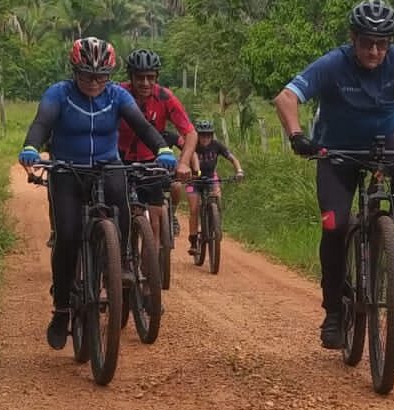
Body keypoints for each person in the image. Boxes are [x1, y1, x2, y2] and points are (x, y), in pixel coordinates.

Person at [274, 0, 394, 350]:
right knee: (334, 226)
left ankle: (393, 237)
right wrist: (296, 135)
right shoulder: (334, 63)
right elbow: (286, 98)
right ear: (353, 38)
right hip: (336, 150)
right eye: (367, 42)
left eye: (382, 43)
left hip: (385, 140)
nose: (375, 51)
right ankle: (334, 311)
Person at [18, 37, 177, 351]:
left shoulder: (117, 96)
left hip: (108, 166)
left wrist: (163, 148)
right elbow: (42, 122)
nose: (94, 82)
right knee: (67, 234)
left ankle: (118, 266)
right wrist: (31, 146)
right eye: (87, 75)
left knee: (122, 214)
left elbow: (142, 126)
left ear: (110, 75)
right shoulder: (58, 94)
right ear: (74, 71)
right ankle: (62, 308)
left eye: (101, 76)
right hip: (66, 170)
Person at [118, 49, 197, 251]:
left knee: (155, 216)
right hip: (118, 159)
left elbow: (190, 132)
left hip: (152, 161)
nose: (145, 83)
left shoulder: (164, 97)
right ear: (130, 77)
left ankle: (150, 261)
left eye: (150, 77)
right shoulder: (118, 93)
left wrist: (184, 163)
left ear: (156, 77)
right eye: (139, 77)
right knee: (115, 211)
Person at [185, 120, 245, 255]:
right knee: (194, 209)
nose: (205, 138)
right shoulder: (192, 146)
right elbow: (182, 161)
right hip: (192, 182)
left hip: (211, 177)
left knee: (217, 196)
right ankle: (194, 241)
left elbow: (233, 158)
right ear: (198, 136)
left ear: (211, 136)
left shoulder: (216, 145)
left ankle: (216, 224)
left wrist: (239, 171)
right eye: (202, 135)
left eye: (208, 135)